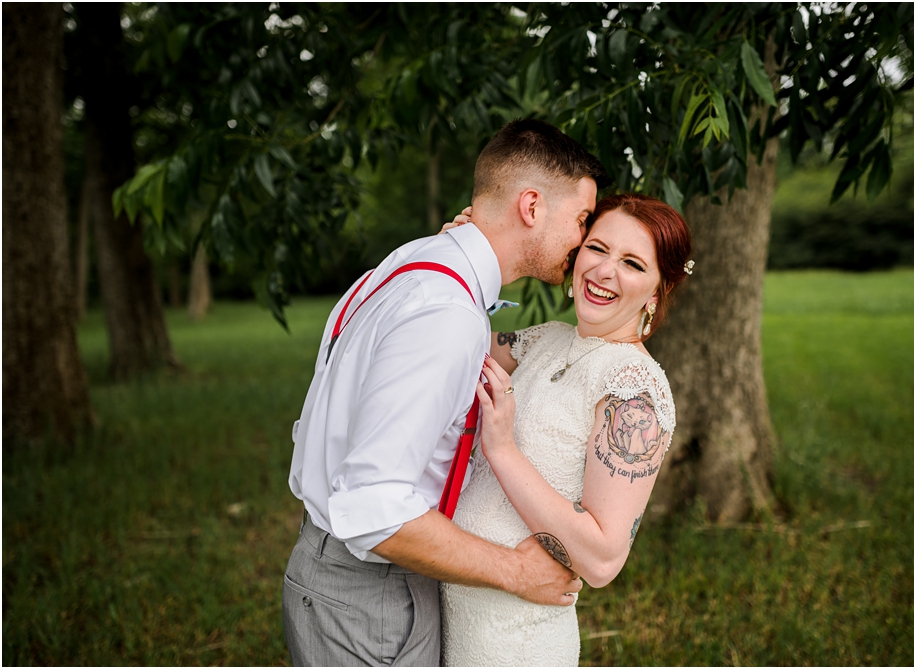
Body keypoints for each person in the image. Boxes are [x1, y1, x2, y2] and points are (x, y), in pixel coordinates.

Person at [282, 119, 610, 667]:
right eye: (581, 219)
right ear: (531, 207)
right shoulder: (445, 313)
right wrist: (515, 571)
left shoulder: (416, 265)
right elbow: (375, 508)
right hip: (370, 596)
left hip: (342, 574)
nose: (583, 241)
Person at [438, 193, 693, 666]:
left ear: (657, 293)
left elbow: (601, 559)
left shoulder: (634, 389)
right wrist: (457, 252)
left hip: (515, 643)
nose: (604, 271)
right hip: (450, 620)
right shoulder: (547, 339)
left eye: (633, 263)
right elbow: (446, 341)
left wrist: (502, 448)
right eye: (598, 249)